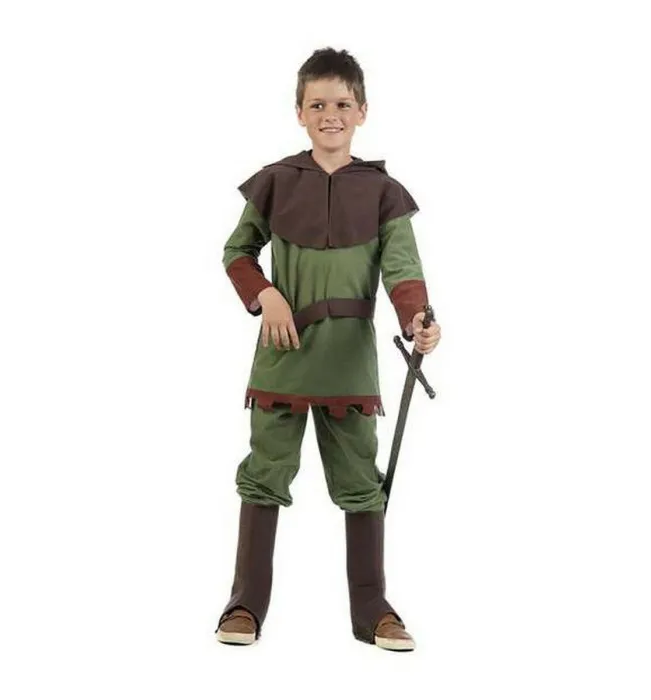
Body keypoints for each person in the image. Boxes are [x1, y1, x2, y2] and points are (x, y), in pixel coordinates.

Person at [215, 47, 441, 651]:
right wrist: (266, 295)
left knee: (361, 482)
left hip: (349, 362)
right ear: (299, 112)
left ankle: (373, 611)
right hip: (282, 354)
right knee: (264, 474)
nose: (330, 115)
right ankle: (245, 605)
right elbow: (237, 252)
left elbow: (403, 271)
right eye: (316, 105)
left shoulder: (383, 192)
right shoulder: (275, 181)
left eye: (342, 103)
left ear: (362, 110)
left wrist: (419, 320)